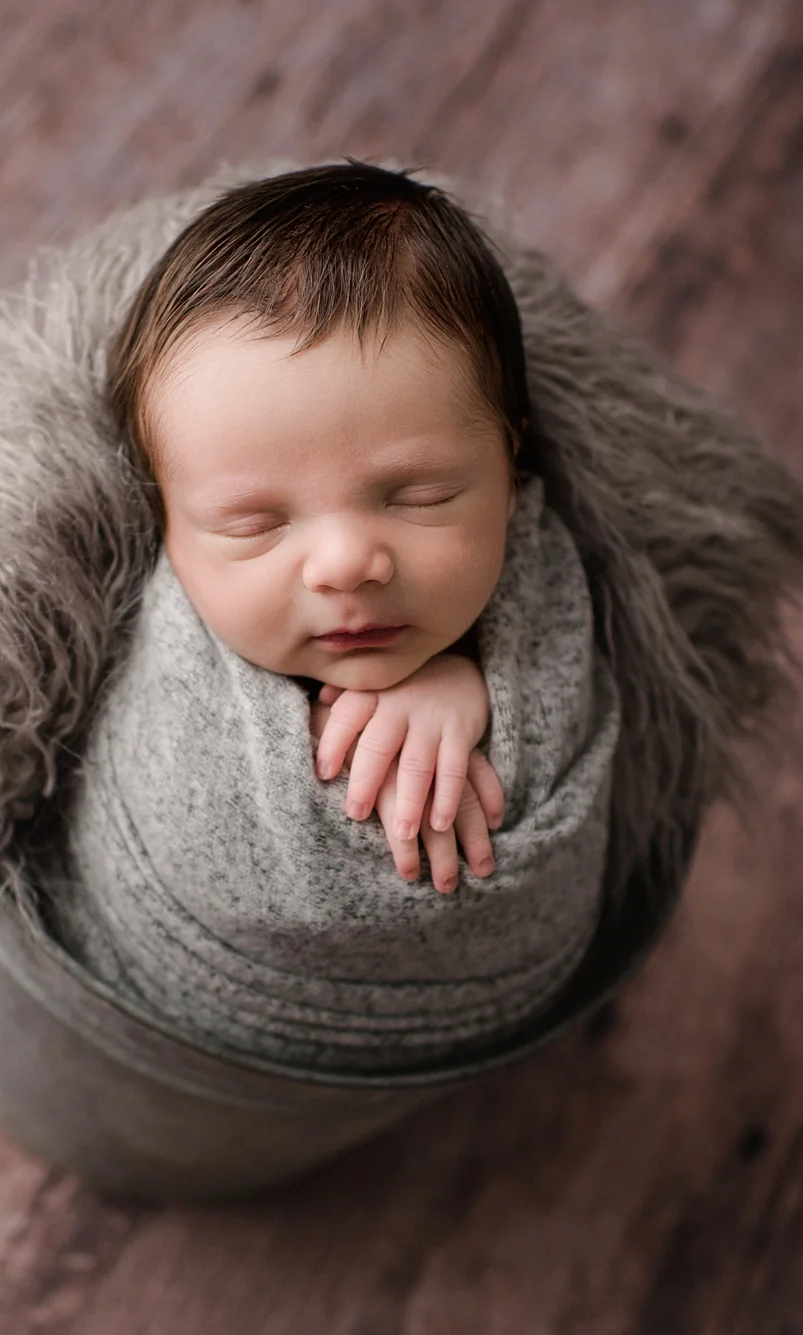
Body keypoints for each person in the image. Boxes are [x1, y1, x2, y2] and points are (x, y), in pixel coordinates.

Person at [105, 160, 529, 894]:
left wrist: (482, 682)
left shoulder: (552, 578)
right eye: (254, 524)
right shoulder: (137, 658)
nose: (343, 564)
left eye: (418, 496)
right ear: (164, 524)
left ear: (510, 467)